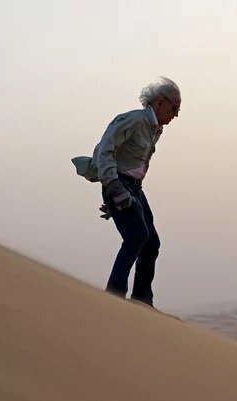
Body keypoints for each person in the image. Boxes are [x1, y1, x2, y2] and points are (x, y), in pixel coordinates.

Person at [71, 77, 181, 307]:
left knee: (151, 243)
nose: (176, 114)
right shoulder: (133, 120)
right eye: (175, 107)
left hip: (134, 188)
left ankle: (142, 300)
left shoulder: (154, 129)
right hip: (120, 184)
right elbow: (104, 150)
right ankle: (114, 296)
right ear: (160, 102)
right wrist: (113, 188)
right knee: (137, 236)